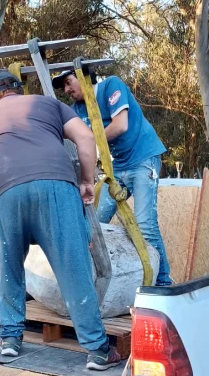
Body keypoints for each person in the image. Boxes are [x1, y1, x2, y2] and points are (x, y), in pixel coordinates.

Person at [0, 70, 122, 371]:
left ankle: (9, 339)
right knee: (74, 267)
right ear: (18, 91)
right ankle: (98, 350)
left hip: (7, 194)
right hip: (56, 188)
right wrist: (87, 181)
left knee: (10, 267)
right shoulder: (47, 104)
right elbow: (85, 137)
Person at [52, 71, 173, 286]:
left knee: (145, 226)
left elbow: (120, 125)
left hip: (143, 158)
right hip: (117, 167)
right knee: (97, 223)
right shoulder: (77, 110)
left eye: (69, 82)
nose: (67, 90)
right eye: (63, 87)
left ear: (85, 77)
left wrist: (89, 141)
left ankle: (163, 282)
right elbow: (64, 133)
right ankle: (100, 279)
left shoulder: (111, 86)